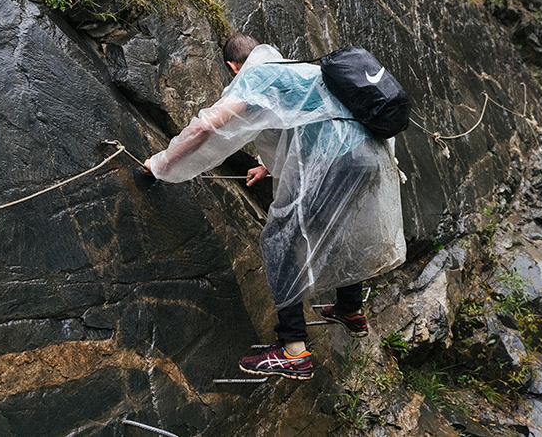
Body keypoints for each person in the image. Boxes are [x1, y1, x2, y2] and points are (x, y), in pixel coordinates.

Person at [144, 33, 406, 380]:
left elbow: (208, 126)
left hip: (336, 159)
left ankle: (293, 351)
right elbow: (300, 124)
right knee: (339, 226)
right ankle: (350, 308)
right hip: (370, 155)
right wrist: (267, 166)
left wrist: (161, 163)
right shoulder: (297, 71)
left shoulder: (257, 74)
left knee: (280, 242)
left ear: (232, 66)